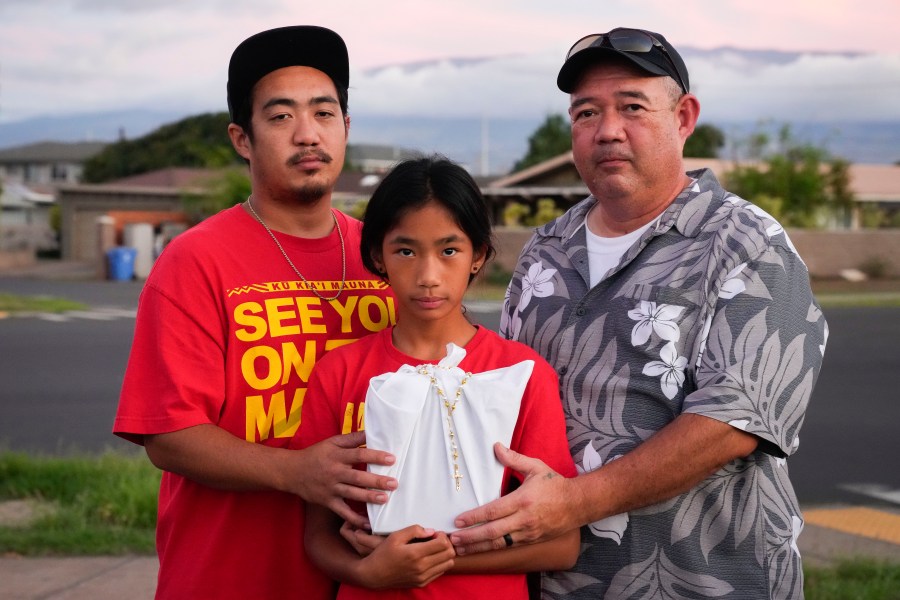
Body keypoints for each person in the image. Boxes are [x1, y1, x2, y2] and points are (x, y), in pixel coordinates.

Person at [450, 28, 828, 599]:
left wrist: (573, 503)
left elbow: (730, 424)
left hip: (707, 582)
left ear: (683, 117)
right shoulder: (546, 250)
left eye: (632, 107)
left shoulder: (746, 243)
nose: (607, 131)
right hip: (557, 583)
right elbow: (505, 394)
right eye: (586, 113)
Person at [113, 26, 399, 599]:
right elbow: (168, 434)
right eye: (280, 117)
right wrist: (297, 472)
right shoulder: (195, 261)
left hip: (372, 581)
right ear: (242, 139)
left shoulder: (389, 257)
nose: (307, 134)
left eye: (324, 113)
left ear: (346, 128)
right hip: (230, 578)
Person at [296, 156, 580, 599]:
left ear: (478, 256)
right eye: (406, 251)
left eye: (449, 250)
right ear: (378, 256)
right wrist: (370, 574)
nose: (428, 276)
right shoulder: (338, 373)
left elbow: (561, 546)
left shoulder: (521, 374)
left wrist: (440, 555)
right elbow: (319, 536)